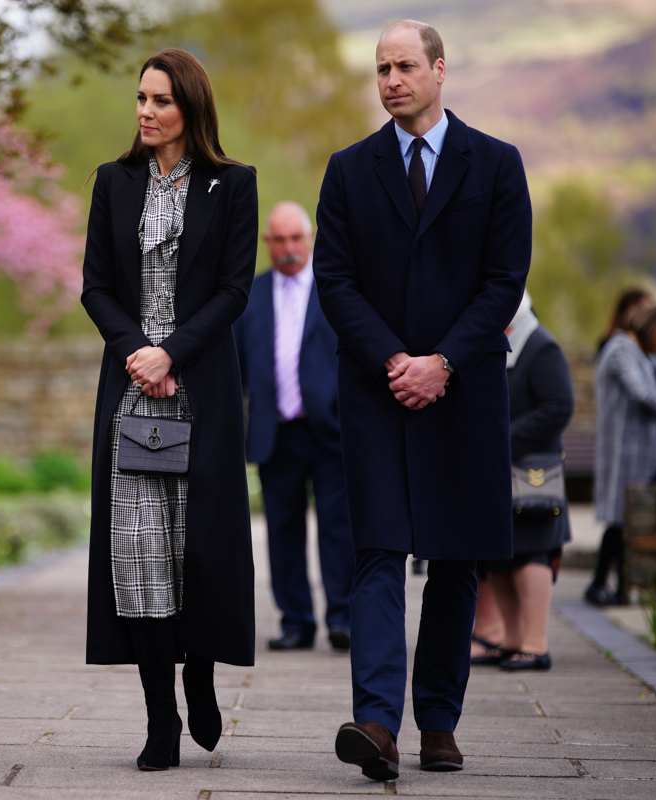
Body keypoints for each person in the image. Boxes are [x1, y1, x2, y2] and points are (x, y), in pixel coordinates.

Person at [313, 19, 532, 781]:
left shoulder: (497, 165)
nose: (392, 80)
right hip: (376, 392)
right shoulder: (347, 171)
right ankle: (376, 723)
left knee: (456, 559)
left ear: (441, 69)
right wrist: (395, 361)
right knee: (375, 549)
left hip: (464, 391)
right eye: (381, 69)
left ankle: (438, 721)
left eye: (406, 65)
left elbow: (504, 281)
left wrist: (441, 361)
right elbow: (334, 281)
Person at [81, 49, 258, 772]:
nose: (146, 111)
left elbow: (234, 289)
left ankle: (202, 673)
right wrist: (137, 352)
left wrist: (173, 353)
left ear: (191, 107)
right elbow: (94, 285)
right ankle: (161, 720)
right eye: (141, 98)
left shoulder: (233, 184)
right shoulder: (112, 182)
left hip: (202, 392)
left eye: (161, 100)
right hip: (131, 392)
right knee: (139, 554)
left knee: (201, 551)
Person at [234, 201, 355, 652]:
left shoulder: (336, 289)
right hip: (274, 431)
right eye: (278, 240)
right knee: (282, 530)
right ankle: (295, 622)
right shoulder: (249, 295)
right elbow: (236, 366)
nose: (287, 248)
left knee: (338, 528)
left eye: (295, 238)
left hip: (329, 431)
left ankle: (342, 617)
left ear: (310, 238)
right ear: (267, 243)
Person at [471, 292, 574, 671]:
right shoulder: (505, 344)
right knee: (502, 556)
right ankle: (513, 640)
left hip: (532, 472)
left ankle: (536, 642)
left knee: (533, 553)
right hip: (500, 469)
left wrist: (504, 439)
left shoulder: (540, 345)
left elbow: (558, 406)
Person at [586, 304, 656, 606]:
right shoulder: (622, 349)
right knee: (620, 516)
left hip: (636, 448)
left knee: (625, 518)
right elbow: (642, 393)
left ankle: (615, 586)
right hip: (624, 448)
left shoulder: (635, 351)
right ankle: (601, 583)